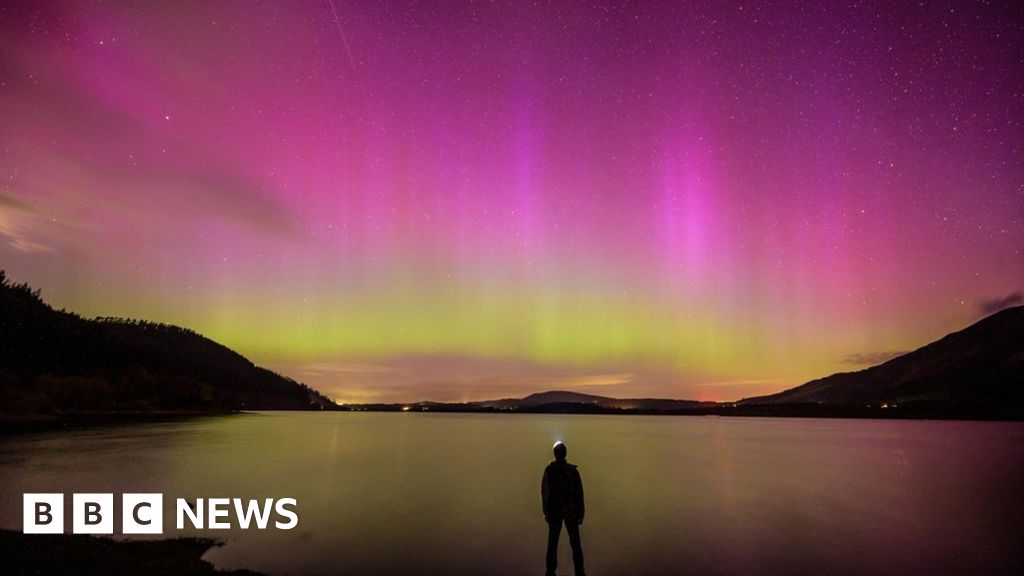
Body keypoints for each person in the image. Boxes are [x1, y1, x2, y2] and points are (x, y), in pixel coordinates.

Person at [541, 441, 586, 576]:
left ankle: (550, 570)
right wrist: (581, 512)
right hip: (571, 511)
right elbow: (579, 493)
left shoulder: (549, 471)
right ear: (565, 454)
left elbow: (545, 492)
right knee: (575, 543)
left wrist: (546, 511)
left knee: (553, 542)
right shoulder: (573, 472)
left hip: (555, 511)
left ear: (555, 454)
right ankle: (579, 571)